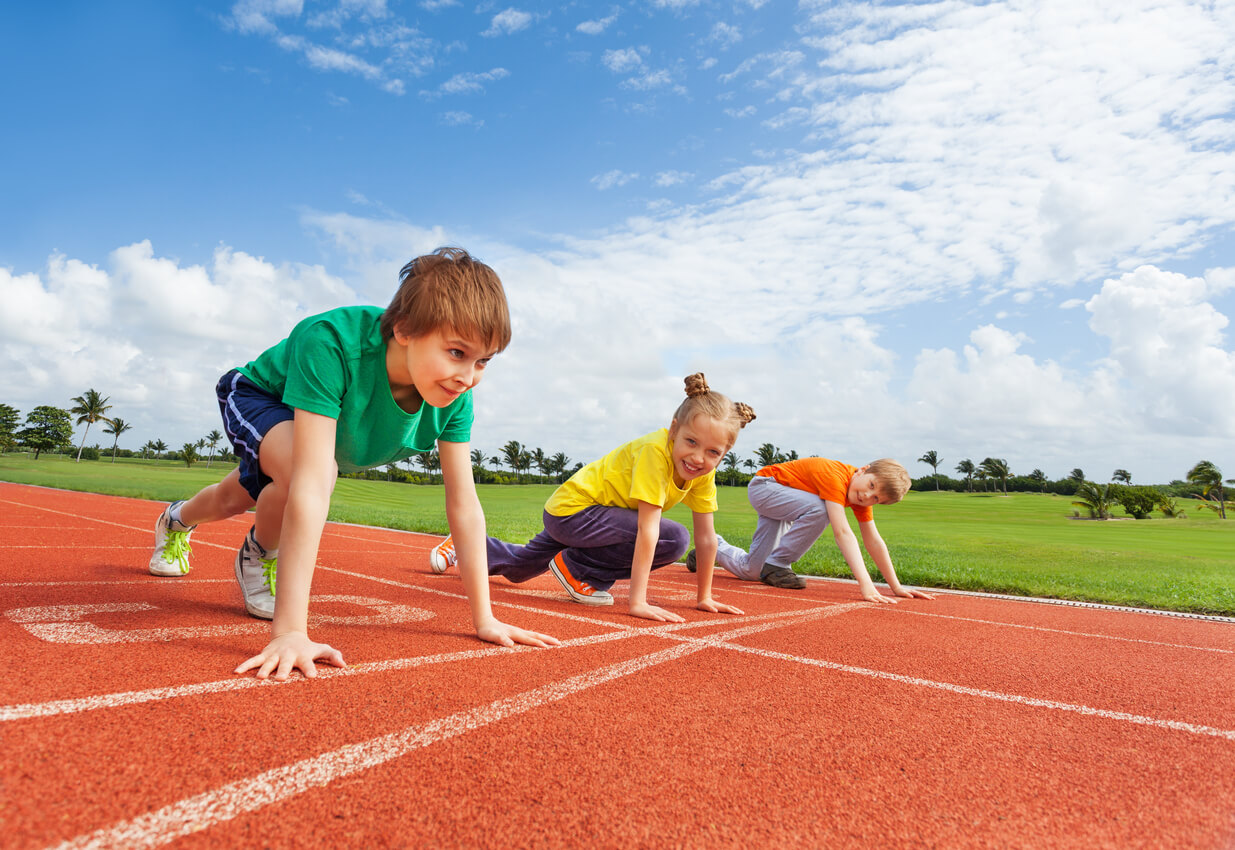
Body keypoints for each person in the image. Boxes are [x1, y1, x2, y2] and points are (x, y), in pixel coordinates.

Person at [147, 246, 560, 680]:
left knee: (234, 497)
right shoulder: (329, 343)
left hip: (315, 440)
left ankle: (176, 519)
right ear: (403, 329)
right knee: (310, 475)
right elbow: (309, 482)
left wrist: (485, 619)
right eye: (456, 352)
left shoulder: (455, 397)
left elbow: (464, 505)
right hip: (260, 395)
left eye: (483, 361)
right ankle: (259, 554)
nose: (469, 376)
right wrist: (290, 632)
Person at [429, 374, 755, 623]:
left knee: (519, 568)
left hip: (595, 520)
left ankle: (465, 544)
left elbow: (708, 538)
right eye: (691, 442)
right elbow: (648, 530)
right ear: (673, 430)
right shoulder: (655, 453)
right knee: (674, 539)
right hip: (575, 512)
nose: (698, 458)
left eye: (713, 452)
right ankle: (579, 570)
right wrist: (637, 602)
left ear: (724, 453)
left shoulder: (702, 472)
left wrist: (705, 596)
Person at [690, 456, 933, 604]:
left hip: (786, 500)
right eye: (871, 485)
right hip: (766, 487)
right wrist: (866, 584)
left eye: (876, 499)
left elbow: (874, 540)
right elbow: (843, 533)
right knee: (821, 509)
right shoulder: (835, 476)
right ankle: (778, 564)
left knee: (752, 571)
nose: (868, 496)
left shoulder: (859, 497)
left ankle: (708, 550)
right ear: (862, 469)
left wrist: (896, 586)